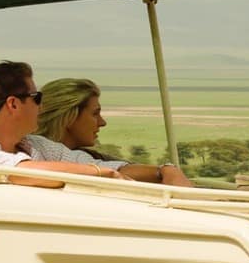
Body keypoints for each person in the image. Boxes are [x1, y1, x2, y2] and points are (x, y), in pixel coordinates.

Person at [0, 61, 124, 185]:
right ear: (13, 104)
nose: (42, 105)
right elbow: (17, 172)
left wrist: (154, 172)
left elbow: (89, 164)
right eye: (36, 97)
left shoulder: (35, 145)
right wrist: (102, 174)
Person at [27, 78, 192, 187]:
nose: (102, 122)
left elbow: (111, 168)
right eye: (94, 113)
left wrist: (166, 170)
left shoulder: (79, 156)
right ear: (69, 117)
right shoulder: (34, 151)